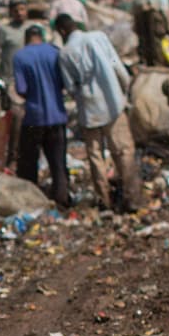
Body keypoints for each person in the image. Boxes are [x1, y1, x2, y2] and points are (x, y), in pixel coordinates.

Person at [55, 14, 141, 213]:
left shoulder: (65, 53)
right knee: (123, 151)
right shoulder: (98, 37)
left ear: (62, 31)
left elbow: (70, 87)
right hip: (113, 104)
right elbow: (118, 67)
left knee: (95, 156)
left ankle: (105, 200)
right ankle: (131, 198)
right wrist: (124, 90)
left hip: (89, 111)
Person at [13, 26, 68, 207]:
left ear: (26, 38)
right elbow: (64, 82)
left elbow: (21, 89)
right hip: (57, 116)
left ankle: (31, 199)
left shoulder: (20, 56)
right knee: (58, 162)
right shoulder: (55, 52)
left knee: (28, 162)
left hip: (34, 118)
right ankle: (62, 197)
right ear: (42, 37)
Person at [0, 0, 29, 166]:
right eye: (16, 10)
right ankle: (12, 159)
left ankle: (26, 157)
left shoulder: (31, 29)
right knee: (15, 120)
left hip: (29, 81)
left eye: (22, 9)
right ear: (10, 12)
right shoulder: (5, 30)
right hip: (10, 82)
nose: (20, 13)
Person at [131, 0, 169, 67]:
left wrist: (136, 27)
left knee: (143, 38)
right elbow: (166, 11)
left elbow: (133, 11)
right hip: (154, 14)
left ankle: (146, 61)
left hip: (140, 14)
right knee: (157, 39)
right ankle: (159, 63)